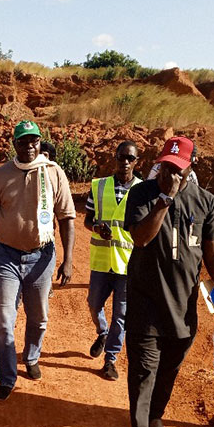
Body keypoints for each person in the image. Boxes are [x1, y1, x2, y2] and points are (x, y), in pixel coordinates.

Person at [123, 136, 214, 427]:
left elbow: (212, 252)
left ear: (191, 167)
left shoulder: (205, 201)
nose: (171, 174)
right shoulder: (141, 194)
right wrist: (164, 201)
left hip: (183, 305)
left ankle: (155, 416)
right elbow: (141, 238)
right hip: (145, 302)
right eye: (166, 167)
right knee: (143, 371)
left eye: (178, 169)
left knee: (170, 367)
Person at [0, 120, 75, 401]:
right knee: (4, 321)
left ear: (40, 142)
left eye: (34, 140)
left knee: (38, 317)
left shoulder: (53, 173)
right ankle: (7, 377)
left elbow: (66, 218)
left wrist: (68, 259)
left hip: (41, 257)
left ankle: (31, 356)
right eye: (23, 141)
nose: (29, 146)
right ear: (14, 144)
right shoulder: (2, 175)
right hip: (5, 257)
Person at [84, 141, 142, 382]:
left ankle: (110, 359)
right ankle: (103, 332)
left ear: (137, 162)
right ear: (114, 158)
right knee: (93, 304)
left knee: (121, 314)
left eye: (130, 158)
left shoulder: (142, 190)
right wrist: (96, 227)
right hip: (101, 261)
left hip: (128, 264)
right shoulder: (99, 186)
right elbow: (87, 219)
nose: (125, 162)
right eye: (121, 157)